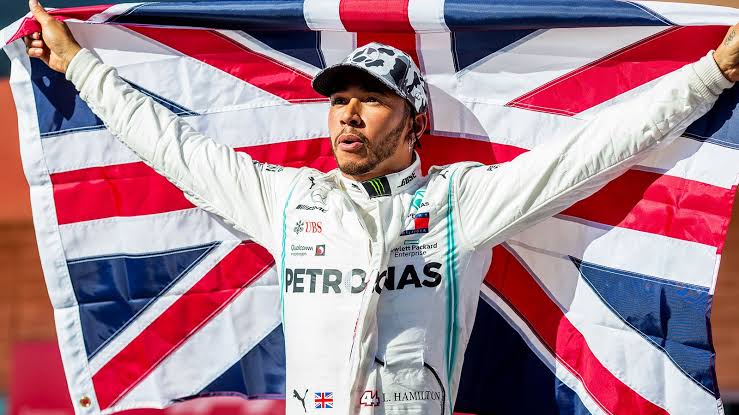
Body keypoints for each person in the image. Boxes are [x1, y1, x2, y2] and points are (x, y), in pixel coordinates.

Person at [23, 0, 739, 413]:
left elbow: (591, 149)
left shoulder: (462, 204)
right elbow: (171, 145)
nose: (348, 116)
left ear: (414, 122)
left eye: (369, 100)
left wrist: (711, 74)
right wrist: (80, 64)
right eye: (338, 101)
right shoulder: (287, 202)